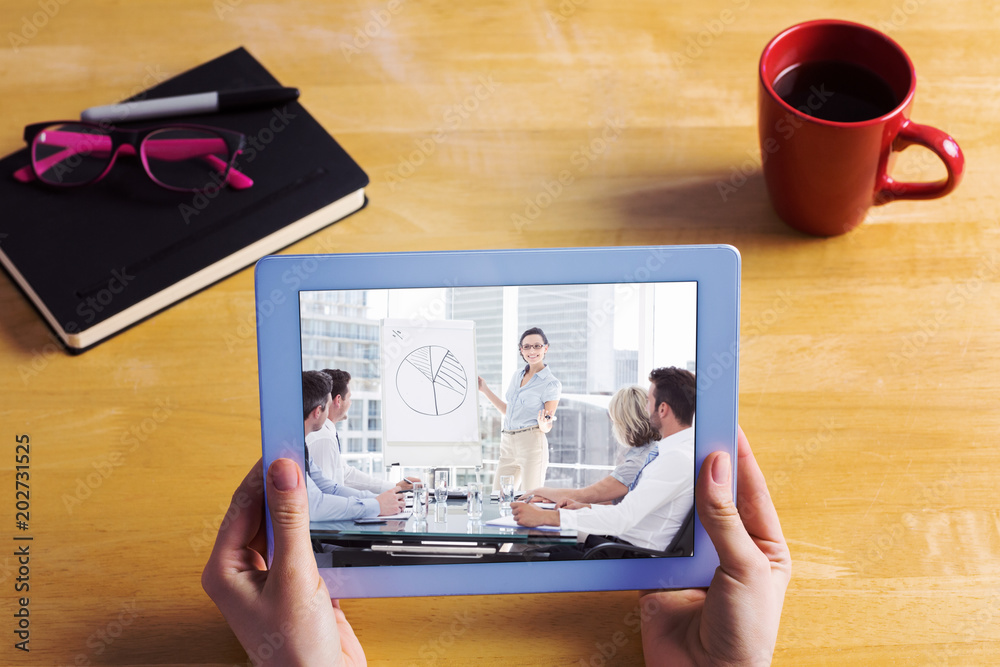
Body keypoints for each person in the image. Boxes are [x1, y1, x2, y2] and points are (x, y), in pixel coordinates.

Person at [202, 428, 790, 665]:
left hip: (609, 546)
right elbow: (604, 497)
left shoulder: (664, 456)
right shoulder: (667, 453)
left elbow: (621, 512)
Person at [512, 367, 695, 553]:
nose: (646, 409)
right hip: (621, 546)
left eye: (649, 401)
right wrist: (586, 508)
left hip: (628, 557)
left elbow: (623, 518)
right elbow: (628, 511)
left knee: (530, 553)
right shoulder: (670, 453)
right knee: (538, 544)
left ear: (662, 409)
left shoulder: (675, 459)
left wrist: (547, 517)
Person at [525, 385, 660, 506]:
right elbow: (611, 499)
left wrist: (540, 491)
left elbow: (586, 494)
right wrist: (559, 498)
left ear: (624, 423)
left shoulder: (637, 462)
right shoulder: (651, 450)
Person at [302, 371, 403, 520]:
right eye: (327, 406)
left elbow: (331, 488)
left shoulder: (300, 447)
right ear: (318, 411)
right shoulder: (296, 451)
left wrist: (378, 499)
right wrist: (375, 505)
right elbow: (317, 505)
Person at [308, 368, 420, 493]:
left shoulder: (326, 433)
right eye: (349, 397)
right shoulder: (323, 438)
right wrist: (377, 504)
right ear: (338, 400)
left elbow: (347, 474)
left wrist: (394, 487)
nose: (350, 403)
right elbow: (326, 493)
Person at [478, 327, 562, 493]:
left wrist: (543, 423)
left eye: (537, 346)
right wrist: (485, 389)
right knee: (498, 497)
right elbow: (508, 411)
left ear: (545, 348)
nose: (532, 350)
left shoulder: (551, 384)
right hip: (508, 442)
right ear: (521, 350)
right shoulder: (517, 376)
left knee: (531, 499)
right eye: (527, 347)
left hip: (532, 443)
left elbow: (547, 424)